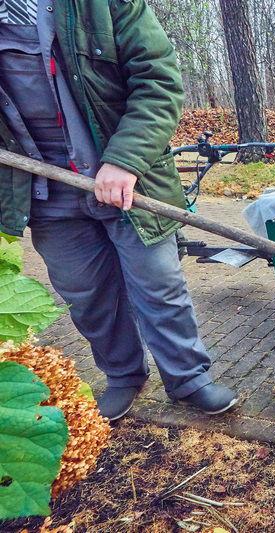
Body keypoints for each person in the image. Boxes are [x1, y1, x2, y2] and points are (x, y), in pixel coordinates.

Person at [0, 0, 237, 420]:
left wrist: (125, 160)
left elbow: (158, 81)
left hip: (128, 179)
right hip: (43, 190)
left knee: (158, 284)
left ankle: (188, 379)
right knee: (86, 294)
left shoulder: (103, 5)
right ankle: (124, 375)